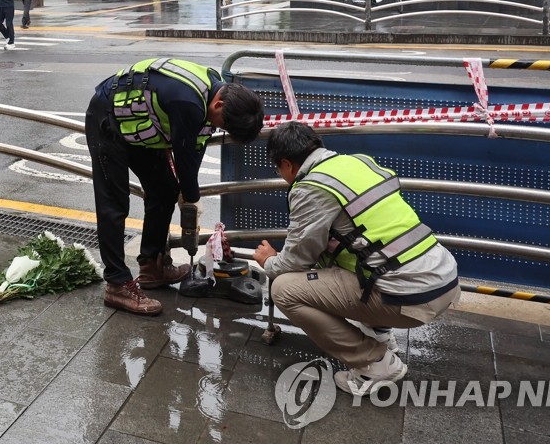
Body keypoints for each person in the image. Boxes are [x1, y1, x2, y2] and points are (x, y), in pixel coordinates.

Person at [254, 122, 460, 396]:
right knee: (345, 251)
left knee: (284, 289)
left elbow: (295, 262)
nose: (280, 175)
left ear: (286, 164)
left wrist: (268, 261)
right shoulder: (358, 163)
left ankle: (374, 362)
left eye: (277, 169)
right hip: (442, 280)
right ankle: (381, 334)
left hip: (408, 298)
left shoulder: (311, 187)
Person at [86, 58, 265, 315]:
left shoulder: (215, 90)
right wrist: (191, 198)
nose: (216, 128)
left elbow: (195, 148)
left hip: (139, 124)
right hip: (108, 118)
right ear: (220, 104)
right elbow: (185, 159)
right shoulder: (189, 103)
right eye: (221, 124)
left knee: (164, 190)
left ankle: (151, 265)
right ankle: (116, 284)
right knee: (114, 204)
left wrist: (187, 194)